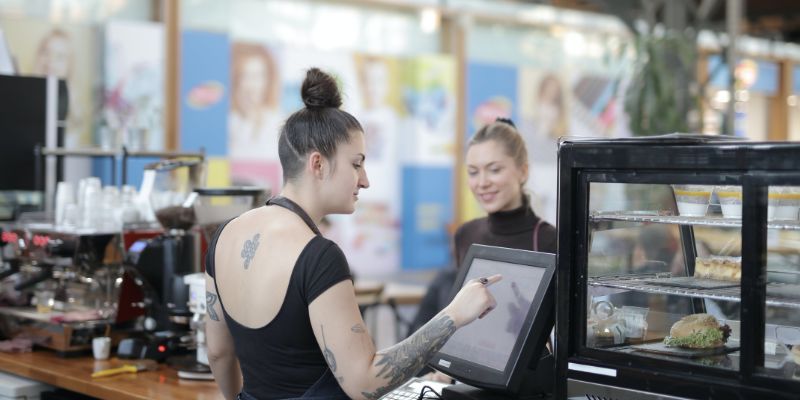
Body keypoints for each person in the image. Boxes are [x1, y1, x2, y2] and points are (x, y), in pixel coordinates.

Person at [205, 68, 501, 400]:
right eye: (356, 164)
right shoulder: (317, 255)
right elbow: (364, 381)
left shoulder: (224, 236)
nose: (365, 180)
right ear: (318, 164)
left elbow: (217, 351)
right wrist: (453, 315)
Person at [410, 117, 557, 337]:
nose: (482, 182)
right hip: (472, 363)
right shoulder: (465, 234)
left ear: (523, 171)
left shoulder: (550, 240)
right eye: (473, 172)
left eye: (494, 169)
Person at [228, 42, 282, 160]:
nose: (252, 86)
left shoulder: (276, 121)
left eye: (258, 76)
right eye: (245, 76)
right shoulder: (229, 122)